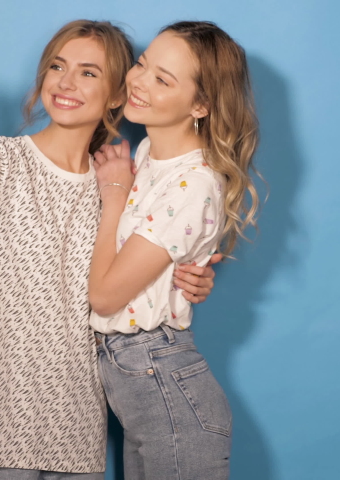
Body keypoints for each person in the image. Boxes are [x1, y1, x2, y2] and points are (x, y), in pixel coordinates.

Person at [0, 20, 220, 480]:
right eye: (56, 66)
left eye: (89, 72)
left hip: (77, 439)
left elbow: (159, 248)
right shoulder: (3, 160)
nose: (66, 82)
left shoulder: (118, 180)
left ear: (115, 94)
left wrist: (197, 271)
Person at [88, 21, 260, 480]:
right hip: (141, 381)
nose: (139, 81)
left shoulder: (195, 183)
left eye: (163, 80)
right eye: (143, 64)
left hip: (162, 381)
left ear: (200, 104)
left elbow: (105, 298)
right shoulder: (147, 152)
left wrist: (114, 195)